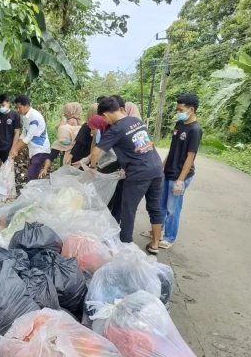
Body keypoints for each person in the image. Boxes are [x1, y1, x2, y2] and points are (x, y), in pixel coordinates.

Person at [86, 97, 164, 253]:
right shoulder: (137, 121)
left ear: (106, 114)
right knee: (155, 208)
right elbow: (136, 147)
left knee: (128, 210)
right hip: (156, 168)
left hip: (139, 174)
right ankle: (155, 244)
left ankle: (125, 247)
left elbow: (96, 152)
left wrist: (93, 167)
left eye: (103, 118)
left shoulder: (116, 129)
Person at [142, 93, 203, 249]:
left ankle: (169, 237)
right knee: (161, 204)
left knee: (172, 208)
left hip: (180, 175)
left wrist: (180, 180)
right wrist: (162, 165)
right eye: (177, 109)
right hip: (168, 171)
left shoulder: (195, 130)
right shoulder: (179, 124)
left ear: (192, 109)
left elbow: (190, 156)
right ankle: (158, 232)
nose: (178, 111)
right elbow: (173, 149)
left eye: (181, 109)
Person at [9, 94, 51, 181]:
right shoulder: (25, 117)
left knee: (32, 174)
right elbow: (23, 134)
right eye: (16, 107)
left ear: (27, 106)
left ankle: (33, 192)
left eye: (19, 107)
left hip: (40, 149)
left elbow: (28, 137)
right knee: (35, 174)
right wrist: (14, 148)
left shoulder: (35, 117)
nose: (17, 110)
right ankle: (36, 191)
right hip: (34, 150)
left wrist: (15, 149)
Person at [39, 102, 82, 178]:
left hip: (67, 157)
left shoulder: (71, 122)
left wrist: (63, 122)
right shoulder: (78, 124)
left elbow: (65, 132)